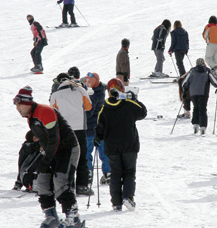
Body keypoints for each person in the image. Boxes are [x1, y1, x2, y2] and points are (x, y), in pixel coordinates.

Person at [14, 86, 86, 228]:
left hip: (67, 149)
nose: (18, 109)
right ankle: (51, 217)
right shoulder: (31, 117)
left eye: (19, 105)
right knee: (42, 182)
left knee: (61, 183)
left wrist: (46, 160)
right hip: (52, 151)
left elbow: (54, 138)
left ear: (27, 103)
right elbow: (44, 138)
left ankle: (73, 218)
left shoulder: (44, 111)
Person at [95, 79, 147, 211]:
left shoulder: (105, 107)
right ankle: (128, 197)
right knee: (129, 172)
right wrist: (134, 99)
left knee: (115, 173)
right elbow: (143, 113)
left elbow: (100, 127)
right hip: (129, 144)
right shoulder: (129, 104)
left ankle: (116, 203)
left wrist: (98, 138)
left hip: (112, 146)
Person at [50, 77, 93, 196]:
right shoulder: (80, 90)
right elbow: (89, 106)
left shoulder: (56, 94)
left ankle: (68, 185)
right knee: (82, 157)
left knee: (67, 157)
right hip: (80, 128)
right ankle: (82, 186)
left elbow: (53, 111)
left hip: (64, 129)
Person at [182, 58, 217, 135]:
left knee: (196, 108)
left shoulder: (192, 71)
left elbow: (185, 82)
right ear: (204, 63)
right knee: (203, 109)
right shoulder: (207, 71)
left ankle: (195, 125)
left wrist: (185, 90)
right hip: (203, 93)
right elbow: (213, 80)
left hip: (193, 93)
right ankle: (203, 127)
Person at [84, 73, 111, 184]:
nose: (87, 83)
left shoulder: (95, 94)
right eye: (86, 81)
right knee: (102, 152)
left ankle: (89, 172)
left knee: (88, 151)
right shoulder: (97, 91)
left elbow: (89, 113)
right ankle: (107, 173)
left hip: (91, 128)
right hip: (100, 128)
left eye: (89, 81)